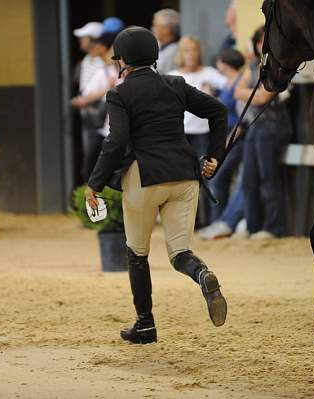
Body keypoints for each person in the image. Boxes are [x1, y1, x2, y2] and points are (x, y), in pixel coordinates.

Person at [85, 26, 229, 344]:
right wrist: (215, 156)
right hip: (185, 176)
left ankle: (146, 325)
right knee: (180, 253)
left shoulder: (119, 93)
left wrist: (94, 183)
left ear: (122, 60)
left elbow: (117, 140)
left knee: (137, 253)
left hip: (144, 177)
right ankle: (202, 274)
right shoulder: (175, 84)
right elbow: (219, 111)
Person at [234, 26, 292, 239]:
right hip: (254, 126)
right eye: (259, 42)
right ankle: (253, 226)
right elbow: (237, 92)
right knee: (249, 179)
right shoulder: (251, 65)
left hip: (272, 126)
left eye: (265, 41)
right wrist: (252, 93)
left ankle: (272, 227)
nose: (262, 46)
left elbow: (262, 98)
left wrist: (248, 93)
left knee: (268, 177)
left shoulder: (279, 67)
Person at [169, 36, 227, 226]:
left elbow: (230, 87)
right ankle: (188, 223)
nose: (191, 55)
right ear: (181, 54)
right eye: (187, 50)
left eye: (194, 50)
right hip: (181, 134)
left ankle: (212, 221)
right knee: (182, 180)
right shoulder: (172, 76)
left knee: (207, 176)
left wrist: (215, 96)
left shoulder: (209, 73)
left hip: (203, 133)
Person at [199, 48, 247, 239]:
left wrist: (226, 143)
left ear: (224, 63)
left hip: (235, 139)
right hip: (227, 136)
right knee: (221, 179)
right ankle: (217, 222)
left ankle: (220, 222)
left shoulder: (238, 83)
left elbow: (240, 118)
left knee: (220, 178)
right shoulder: (229, 83)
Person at [71, 32, 118, 180]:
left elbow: (86, 98)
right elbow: (86, 97)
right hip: (105, 127)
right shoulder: (105, 70)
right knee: (92, 168)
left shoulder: (121, 72)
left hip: (118, 129)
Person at [151, 9, 180, 75]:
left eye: (155, 25)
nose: (153, 28)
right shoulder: (156, 45)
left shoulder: (175, 50)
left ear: (166, 29)